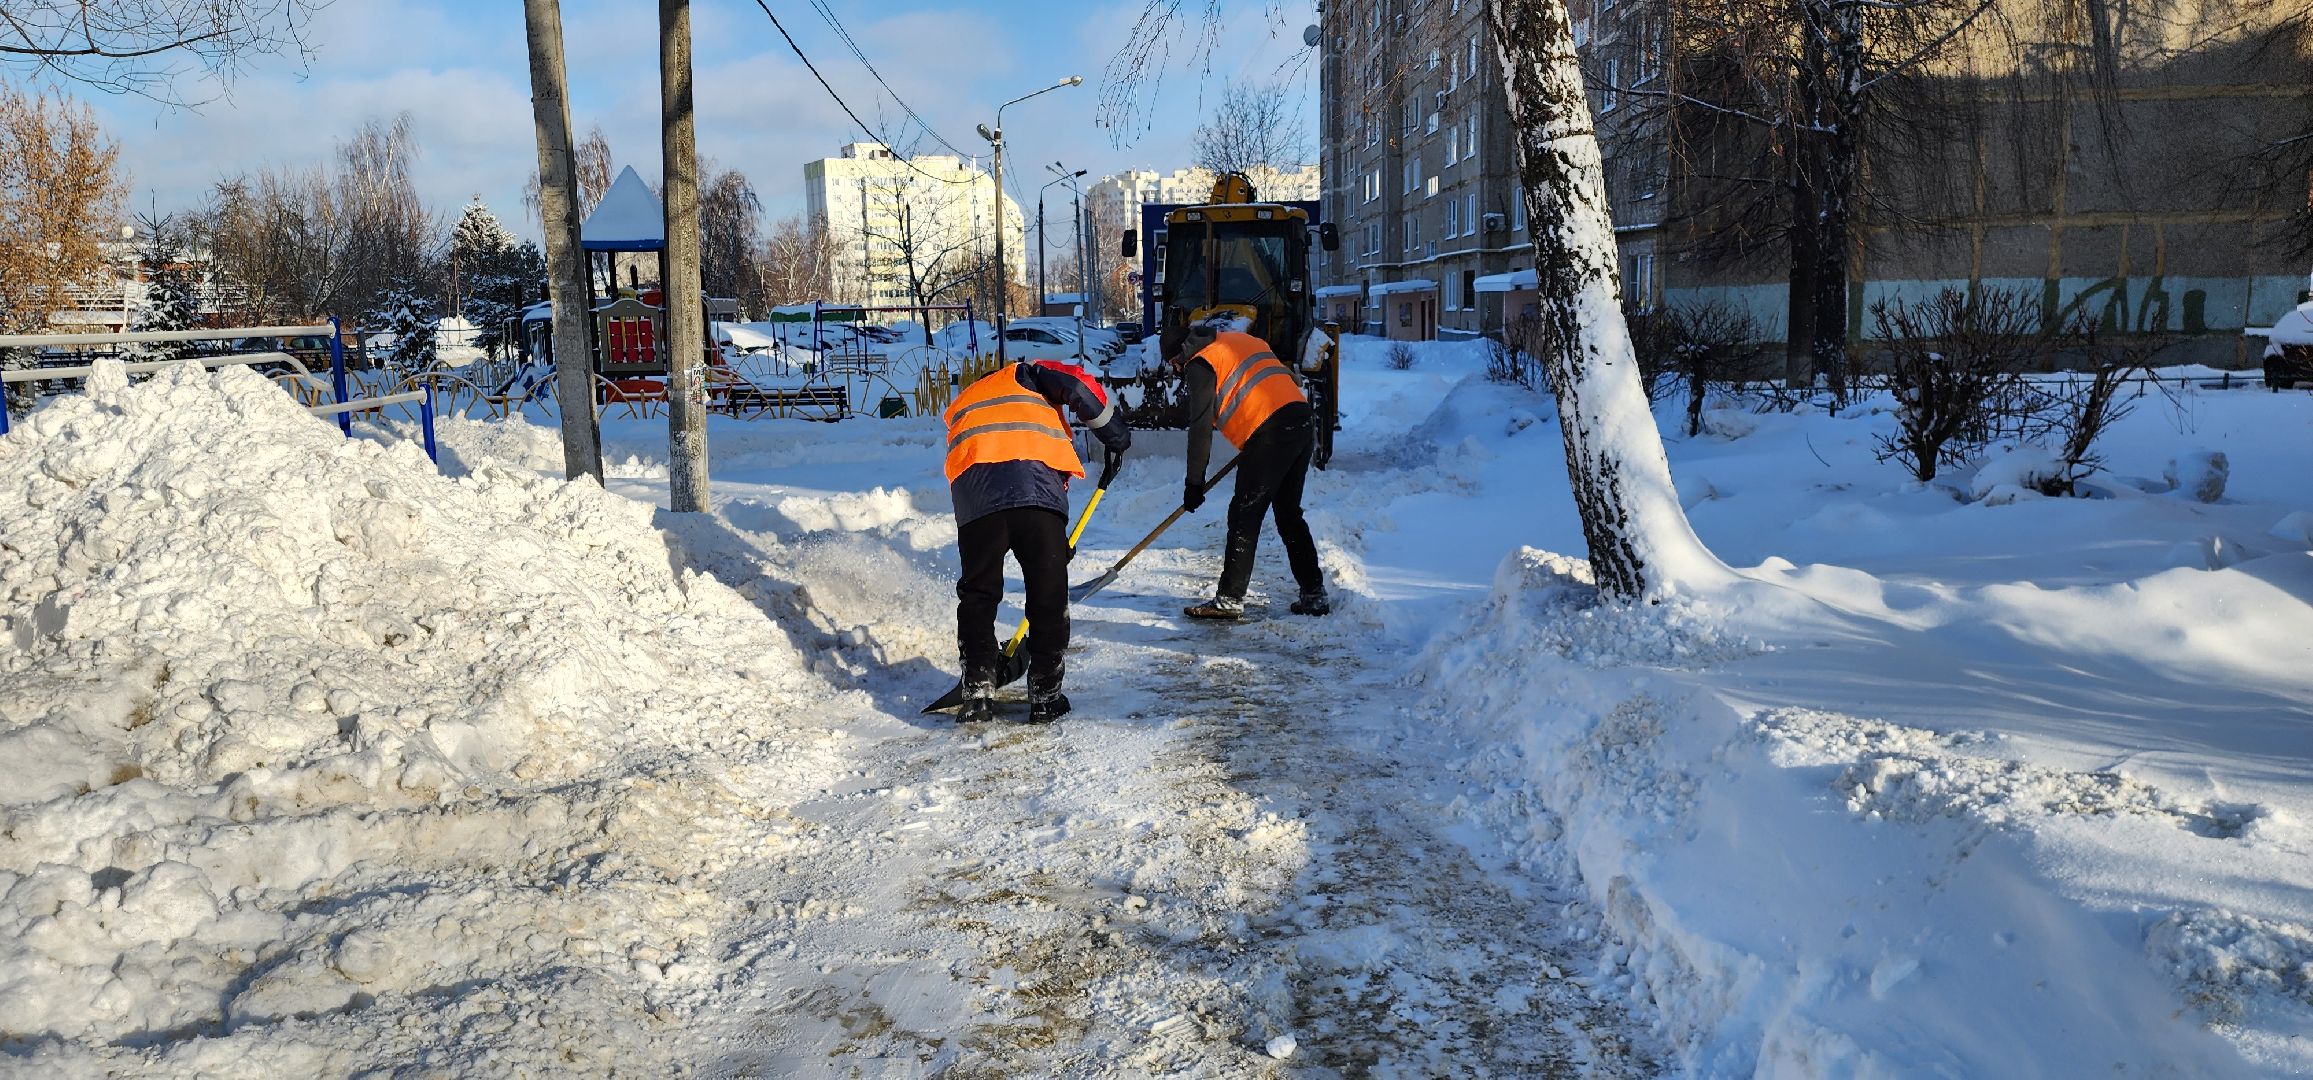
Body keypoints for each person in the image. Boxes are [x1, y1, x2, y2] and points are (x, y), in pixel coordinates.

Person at [946, 358, 1130, 724]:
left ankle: (977, 691)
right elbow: (1078, 387)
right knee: (1048, 594)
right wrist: (1117, 437)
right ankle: (1045, 696)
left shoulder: (965, 399)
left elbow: (988, 462)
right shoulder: (1028, 374)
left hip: (976, 503)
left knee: (979, 594)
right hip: (1034, 492)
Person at [1175, 323, 1328, 620]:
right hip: (1300, 418)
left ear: (1180, 355)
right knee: (1288, 513)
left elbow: (1200, 428)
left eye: (1174, 365)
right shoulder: (1241, 339)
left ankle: (1230, 598)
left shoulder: (1200, 362)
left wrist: (1194, 483)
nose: (1177, 372)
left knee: (1245, 514)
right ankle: (1314, 593)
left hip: (1270, 432)